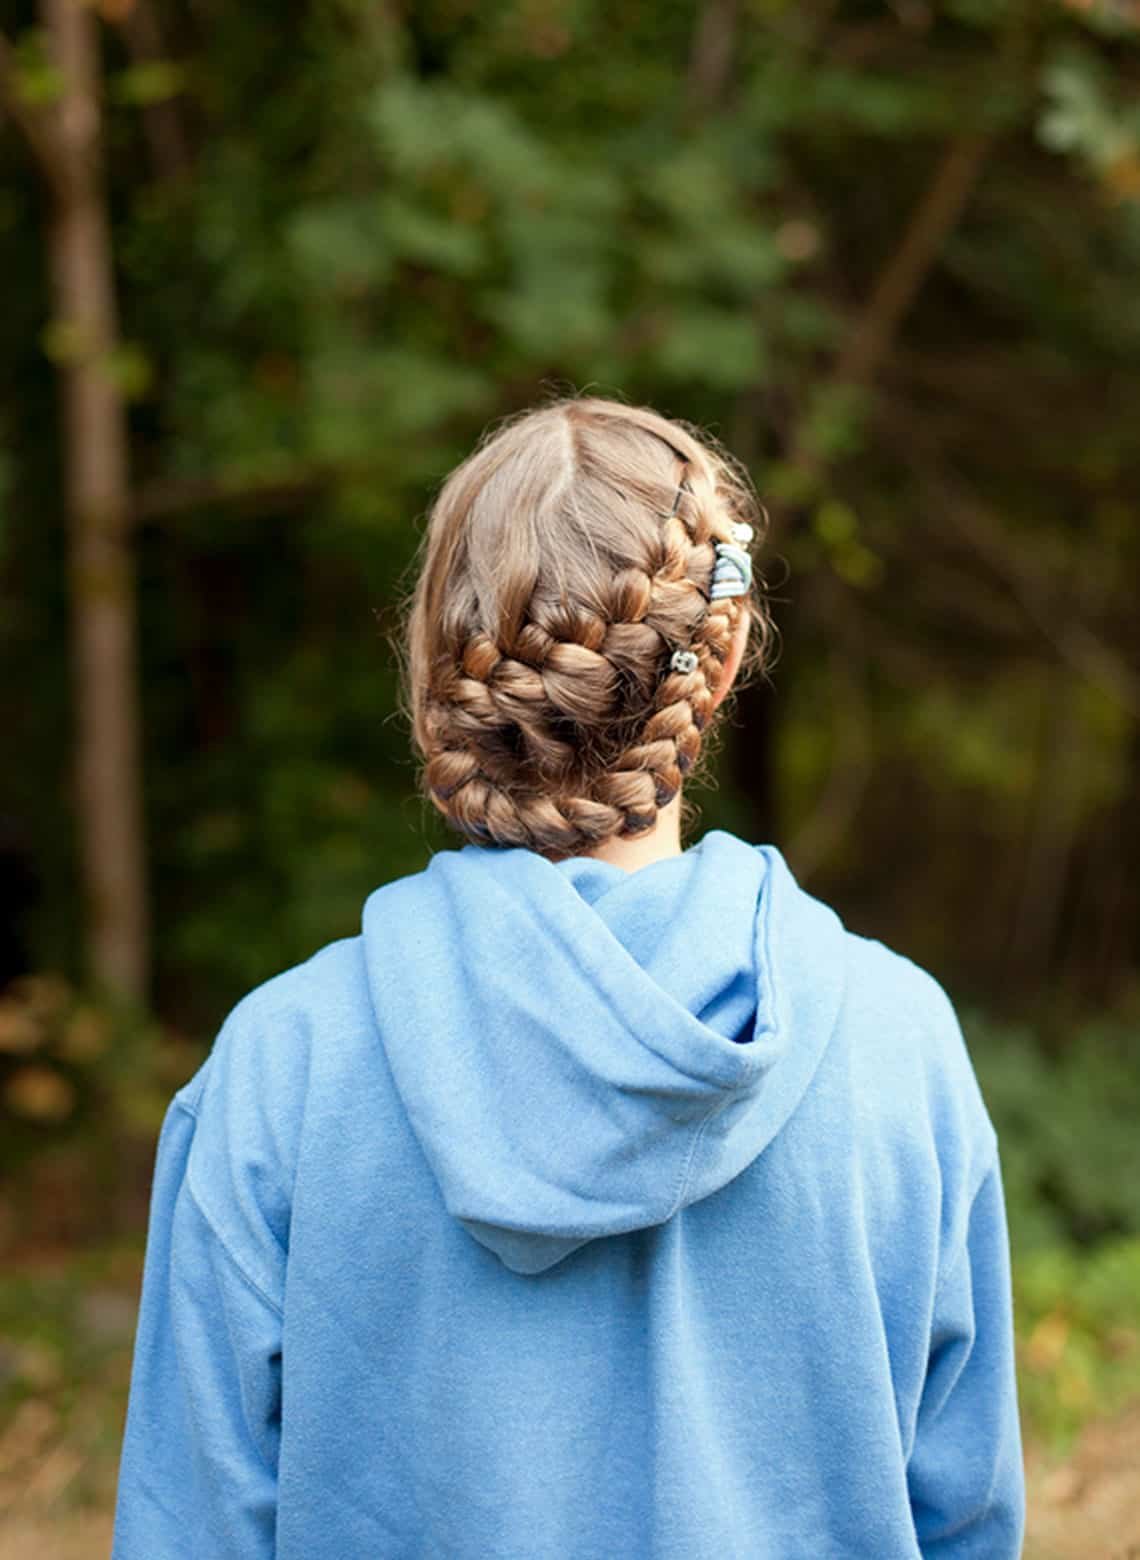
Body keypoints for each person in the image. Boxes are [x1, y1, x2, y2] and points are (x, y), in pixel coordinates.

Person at [111, 396, 1025, 1558]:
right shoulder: (901, 1044)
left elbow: (190, 1528)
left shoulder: (284, 1066)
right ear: (728, 651)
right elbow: (968, 1518)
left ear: (436, 664)